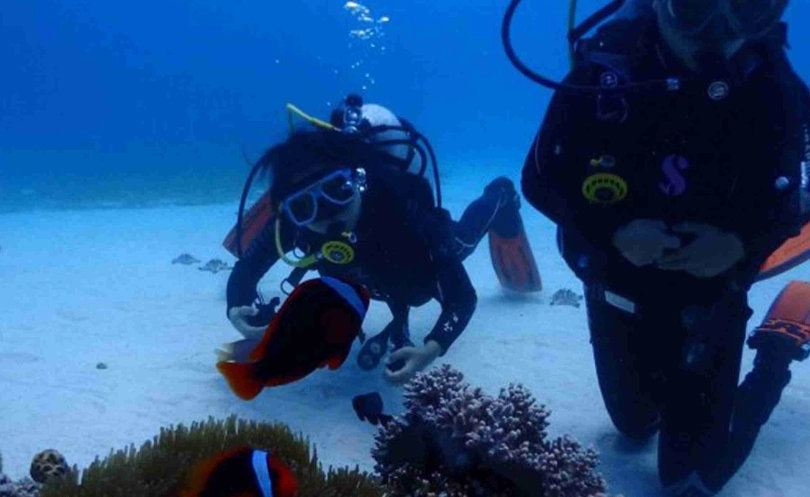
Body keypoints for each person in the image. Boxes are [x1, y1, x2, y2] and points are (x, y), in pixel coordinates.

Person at [518, 0, 810, 495]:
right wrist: (613, 232)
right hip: (620, 291)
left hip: (713, 296)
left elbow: (792, 206)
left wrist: (740, 246)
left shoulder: (776, 89)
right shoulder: (600, 78)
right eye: (695, 5)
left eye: (748, 6)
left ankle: (779, 346)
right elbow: (539, 181)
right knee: (633, 428)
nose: (719, 31)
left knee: (695, 481)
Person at [225, 95, 531, 386]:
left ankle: (500, 194)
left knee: (462, 241)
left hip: (413, 269)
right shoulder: (293, 222)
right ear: (290, 209)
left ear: (356, 181)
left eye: (338, 192)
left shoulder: (402, 208)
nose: (329, 214)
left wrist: (432, 349)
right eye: (306, 207)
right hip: (371, 278)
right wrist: (237, 305)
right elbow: (246, 271)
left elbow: (461, 298)